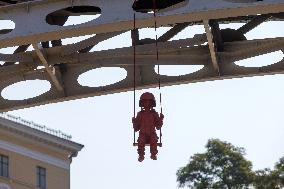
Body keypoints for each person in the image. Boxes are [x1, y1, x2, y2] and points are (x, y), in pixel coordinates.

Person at [132, 92, 164, 162]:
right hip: (143, 134)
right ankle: (141, 155)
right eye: (145, 101)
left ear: (151, 103)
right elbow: (136, 128)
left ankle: (153, 154)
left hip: (152, 133)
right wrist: (134, 121)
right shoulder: (140, 114)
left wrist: (161, 119)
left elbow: (158, 126)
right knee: (141, 141)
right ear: (142, 103)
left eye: (148, 101)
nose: (146, 103)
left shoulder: (154, 114)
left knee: (154, 139)